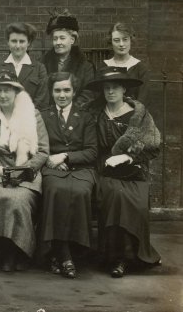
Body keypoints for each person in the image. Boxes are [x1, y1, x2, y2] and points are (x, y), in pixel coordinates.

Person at [85, 66, 161, 278]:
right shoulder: (95, 113)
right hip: (104, 170)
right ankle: (115, 257)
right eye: (107, 88)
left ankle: (132, 256)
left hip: (133, 170)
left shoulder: (139, 115)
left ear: (124, 90)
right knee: (115, 195)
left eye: (115, 88)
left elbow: (153, 146)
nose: (110, 92)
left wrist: (129, 156)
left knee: (134, 200)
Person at [0, 69, 49, 272]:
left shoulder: (32, 115)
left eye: (7, 90)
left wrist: (23, 170)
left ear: (16, 92)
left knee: (19, 199)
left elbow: (43, 151)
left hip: (26, 171)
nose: (3, 95)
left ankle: (19, 251)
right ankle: (0, 250)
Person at [38, 72, 97, 279]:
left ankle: (73, 251)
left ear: (74, 91)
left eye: (66, 90)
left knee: (80, 192)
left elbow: (91, 151)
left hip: (80, 168)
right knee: (55, 190)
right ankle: (62, 253)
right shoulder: (43, 116)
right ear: (51, 92)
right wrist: (49, 160)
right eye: (57, 90)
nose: (62, 95)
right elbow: (36, 147)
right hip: (52, 167)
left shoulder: (86, 117)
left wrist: (65, 156)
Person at [41, 10, 95, 109]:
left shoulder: (85, 66)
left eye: (62, 38)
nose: (58, 42)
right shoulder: (43, 64)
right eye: (55, 38)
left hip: (75, 116)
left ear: (72, 40)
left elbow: (88, 93)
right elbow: (41, 93)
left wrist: (70, 112)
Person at [0, 22, 49, 110]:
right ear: (8, 42)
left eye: (22, 41)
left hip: (30, 118)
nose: (17, 46)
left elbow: (42, 99)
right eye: (14, 41)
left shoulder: (39, 68)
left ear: (28, 43)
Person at [102, 22, 150, 104]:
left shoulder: (140, 68)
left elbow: (142, 101)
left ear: (131, 41)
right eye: (116, 40)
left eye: (125, 39)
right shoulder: (104, 66)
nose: (121, 44)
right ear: (111, 42)